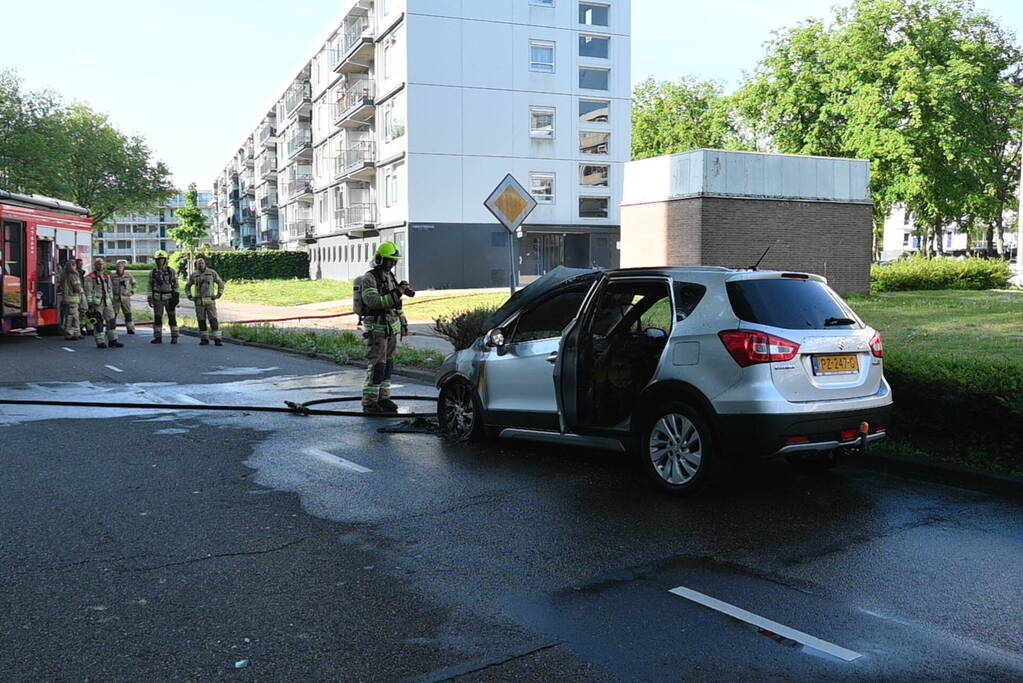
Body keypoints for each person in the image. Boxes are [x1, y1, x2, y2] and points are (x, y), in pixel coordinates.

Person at [360, 242, 414, 413]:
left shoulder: (390, 276)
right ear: (380, 259)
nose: (393, 264)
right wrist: (398, 292)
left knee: (388, 365)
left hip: (390, 329)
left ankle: (383, 398)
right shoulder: (369, 278)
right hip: (376, 329)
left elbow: (397, 305)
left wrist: (403, 323)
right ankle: (369, 402)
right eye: (390, 260)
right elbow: (374, 302)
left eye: (395, 261)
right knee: (377, 366)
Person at [84, 257, 124, 349]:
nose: (101, 266)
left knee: (112, 321)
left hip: (107, 302)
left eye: (102, 264)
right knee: (99, 323)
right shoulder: (90, 277)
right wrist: (90, 305)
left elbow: (109, 289)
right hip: (97, 304)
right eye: (98, 264)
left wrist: (111, 300)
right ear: (95, 265)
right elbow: (88, 292)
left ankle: (113, 340)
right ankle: (100, 342)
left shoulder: (106, 276)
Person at [185, 258, 225, 346]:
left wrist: (218, 295)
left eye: (202, 263)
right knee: (201, 321)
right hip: (199, 302)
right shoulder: (194, 275)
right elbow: (187, 286)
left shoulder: (212, 273)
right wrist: (189, 296)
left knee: (213, 320)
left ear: (205, 264)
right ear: (196, 265)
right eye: (199, 263)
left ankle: (217, 339)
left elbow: (220, 283)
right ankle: (204, 339)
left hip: (210, 301)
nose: (200, 265)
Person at [149, 250, 180, 344]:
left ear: (165, 260)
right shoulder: (153, 273)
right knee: (158, 319)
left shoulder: (171, 271)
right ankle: (158, 337)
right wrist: (150, 298)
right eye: (158, 260)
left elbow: (176, 285)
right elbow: (150, 287)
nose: (160, 261)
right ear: (156, 261)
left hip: (169, 297)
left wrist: (176, 297)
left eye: (162, 259)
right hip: (158, 298)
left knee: (172, 318)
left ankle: (175, 337)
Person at [110, 259, 137, 334]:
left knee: (128, 314)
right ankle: (112, 329)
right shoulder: (112, 276)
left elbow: (134, 284)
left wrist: (132, 292)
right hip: (115, 298)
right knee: (113, 314)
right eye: (118, 267)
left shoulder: (128, 275)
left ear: (123, 268)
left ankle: (130, 329)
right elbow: (108, 286)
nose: (119, 268)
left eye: (121, 267)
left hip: (125, 298)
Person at [60, 260, 84, 341]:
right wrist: (82, 291)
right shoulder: (73, 275)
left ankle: (76, 333)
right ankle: (70, 334)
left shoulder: (64, 275)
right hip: (73, 299)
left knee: (71, 316)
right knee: (73, 318)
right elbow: (77, 287)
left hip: (66, 299)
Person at [75, 258, 92, 338]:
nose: (81, 265)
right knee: (79, 312)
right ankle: (79, 329)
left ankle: (83, 327)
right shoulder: (74, 274)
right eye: (79, 264)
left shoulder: (83, 273)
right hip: (77, 294)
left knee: (84, 311)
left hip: (83, 293)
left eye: (81, 264)